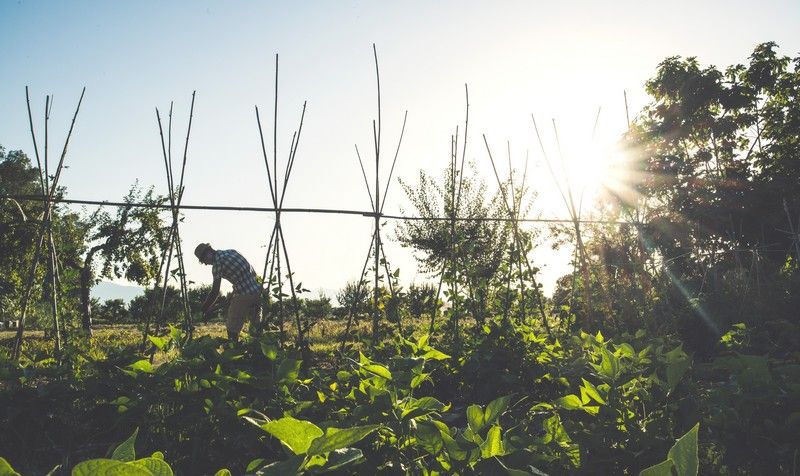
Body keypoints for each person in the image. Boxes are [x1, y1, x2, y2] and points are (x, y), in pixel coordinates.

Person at [194, 243, 262, 341]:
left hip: (244, 294)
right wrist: (232, 296)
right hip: (257, 290)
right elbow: (245, 273)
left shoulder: (217, 264)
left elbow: (215, 292)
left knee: (232, 328)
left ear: (208, 253)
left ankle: (233, 350)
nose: (205, 263)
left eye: (203, 260)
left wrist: (204, 309)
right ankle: (258, 350)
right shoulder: (231, 251)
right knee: (256, 327)